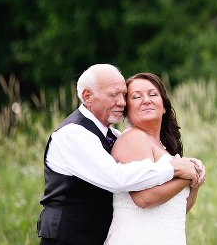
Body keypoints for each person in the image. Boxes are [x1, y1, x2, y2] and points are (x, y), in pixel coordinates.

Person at [37, 64, 204, 245]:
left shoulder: (113, 136)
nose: (122, 102)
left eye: (123, 95)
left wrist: (190, 175)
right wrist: (176, 168)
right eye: (113, 95)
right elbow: (116, 179)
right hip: (68, 239)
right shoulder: (73, 134)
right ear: (87, 96)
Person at [105, 72, 203, 244]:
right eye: (136, 97)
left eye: (153, 94)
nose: (146, 100)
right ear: (127, 110)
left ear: (164, 106)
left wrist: (195, 183)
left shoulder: (164, 148)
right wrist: (188, 175)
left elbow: (179, 208)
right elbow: (144, 198)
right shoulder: (132, 138)